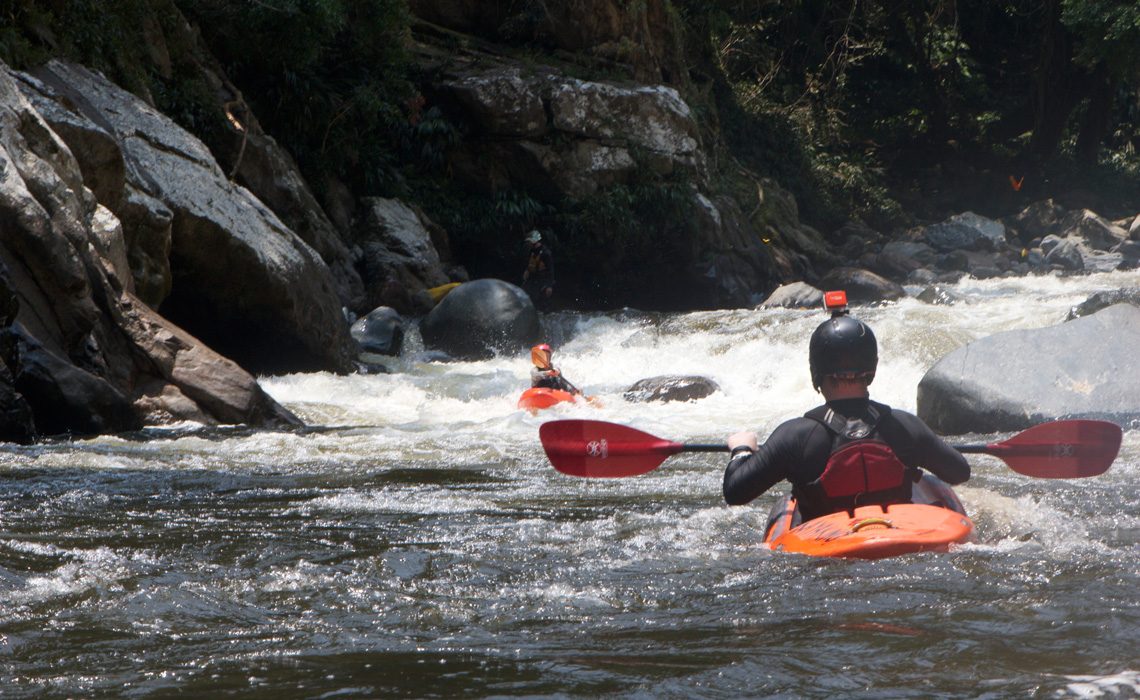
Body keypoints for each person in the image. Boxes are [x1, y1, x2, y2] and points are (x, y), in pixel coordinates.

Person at [723, 292, 969, 524]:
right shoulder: (905, 426)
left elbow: (735, 493)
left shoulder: (796, 437)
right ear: (871, 370)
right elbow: (959, 472)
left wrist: (742, 449)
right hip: (897, 544)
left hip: (829, 558)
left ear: (816, 372)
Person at [522, 230, 554, 308]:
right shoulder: (531, 251)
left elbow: (551, 270)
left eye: (529, 241)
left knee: (542, 303)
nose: (528, 244)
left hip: (543, 281)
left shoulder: (546, 253)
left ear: (534, 241)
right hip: (533, 279)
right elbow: (530, 264)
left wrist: (549, 286)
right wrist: (527, 270)